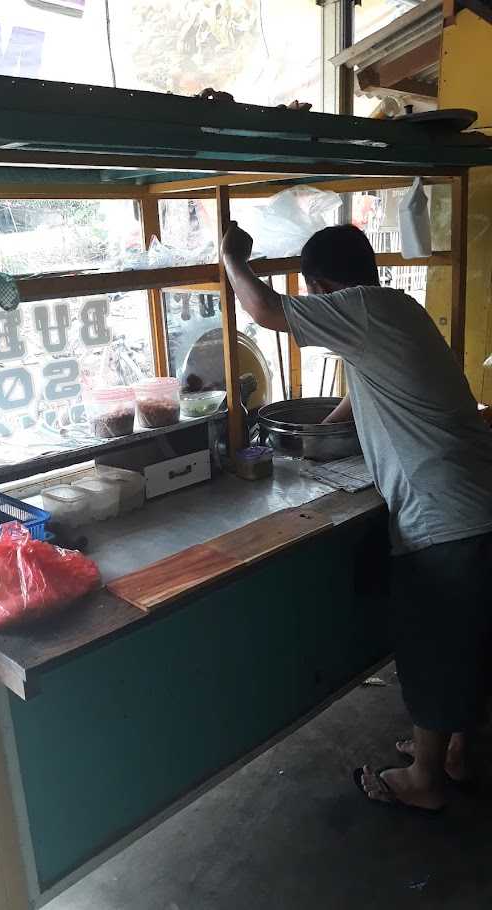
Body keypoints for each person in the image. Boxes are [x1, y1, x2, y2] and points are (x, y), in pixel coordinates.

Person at [220, 220, 492, 814]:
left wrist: (233, 260)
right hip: (475, 497)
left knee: (435, 644)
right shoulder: (393, 308)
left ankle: (425, 780)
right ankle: (452, 752)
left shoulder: (361, 309)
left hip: (443, 511)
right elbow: (367, 384)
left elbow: (265, 312)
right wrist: (329, 426)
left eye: (314, 293)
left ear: (322, 285)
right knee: (467, 641)